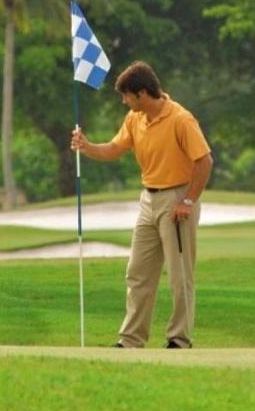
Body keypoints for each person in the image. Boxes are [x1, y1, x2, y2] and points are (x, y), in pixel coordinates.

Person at [71, 61, 214, 349]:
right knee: (137, 272)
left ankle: (179, 339)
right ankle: (131, 339)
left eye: (126, 96)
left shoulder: (181, 119)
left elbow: (204, 161)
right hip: (148, 200)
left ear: (141, 94)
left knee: (179, 275)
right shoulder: (135, 119)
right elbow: (114, 148)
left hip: (177, 199)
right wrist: (87, 147)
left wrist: (188, 200)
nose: (124, 102)